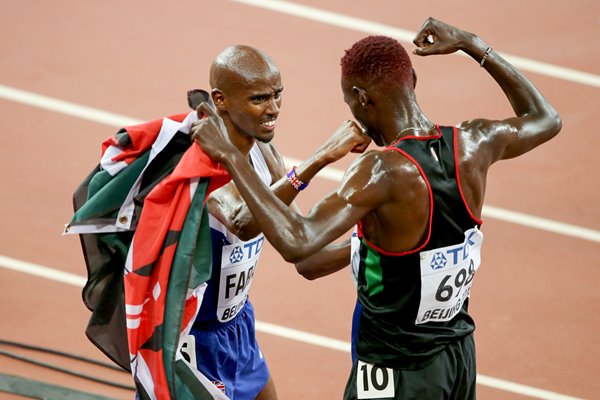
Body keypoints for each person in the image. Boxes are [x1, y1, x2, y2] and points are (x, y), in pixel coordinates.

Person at [191, 17, 561, 399]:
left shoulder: (380, 172)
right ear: (412, 81)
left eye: (349, 101)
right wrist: (472, 44)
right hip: (457, 357)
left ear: (361, 97)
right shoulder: (473, 142)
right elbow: (546, 119)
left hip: (394, 368)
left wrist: (230, 157)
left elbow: (298, 242)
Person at [185, 45, 369, 400]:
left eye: (277, 95)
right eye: (259, 99)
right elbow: (243, 222)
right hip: (193, 339)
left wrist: (373, 244)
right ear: (221, 100)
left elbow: (306, 256)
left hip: (237, 328)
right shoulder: (196, 159)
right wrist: (319, 158)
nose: (273, 110)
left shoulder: (263, 151)